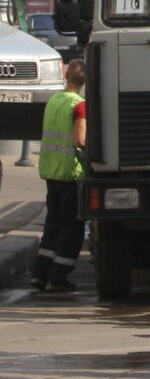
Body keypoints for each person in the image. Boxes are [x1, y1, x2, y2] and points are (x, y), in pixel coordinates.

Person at [32, 58, 87, 292]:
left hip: (50, 170)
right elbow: (80, 140)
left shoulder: (54, 100)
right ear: (85, 81)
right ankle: (59, 275)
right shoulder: (79, 105)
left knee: (52, 224)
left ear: (66, 76)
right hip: (70, 172)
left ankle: (40, 273)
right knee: (71, 227)